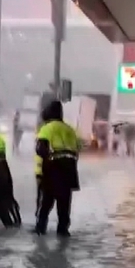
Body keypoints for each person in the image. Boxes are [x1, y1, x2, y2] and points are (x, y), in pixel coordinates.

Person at [34, 100, 80, 236]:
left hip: (54, 169)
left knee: (46, 201)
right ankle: (63, 230)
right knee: (64, 202)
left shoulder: (47, 128)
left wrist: (42, 169)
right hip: (70, 169)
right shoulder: (69, 129)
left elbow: (41, 149)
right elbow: (77, 150)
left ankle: (41, 228)